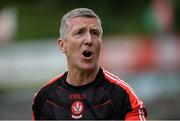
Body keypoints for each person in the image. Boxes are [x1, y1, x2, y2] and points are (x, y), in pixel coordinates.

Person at [32, 8, 147, 120]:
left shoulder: (123, 96)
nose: (89, 40)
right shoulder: (44, 98)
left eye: (95, 33)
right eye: (79, 33)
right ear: (62, 45)